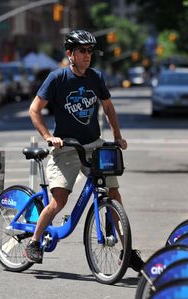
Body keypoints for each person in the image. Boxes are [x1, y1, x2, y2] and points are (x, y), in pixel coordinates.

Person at [25, 30, 144, 273]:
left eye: (90, 51)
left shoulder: (96, 77)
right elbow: (34, 110)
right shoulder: (57, 78)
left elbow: (109, 108)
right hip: (66, 147)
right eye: (82, 51)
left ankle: (127, 250)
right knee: (59, 201)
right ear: (70, 54)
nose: (87, 56)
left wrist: (117, 137)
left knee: (113, 194)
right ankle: (34, 241)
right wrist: (49, 137)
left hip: (94, 145)